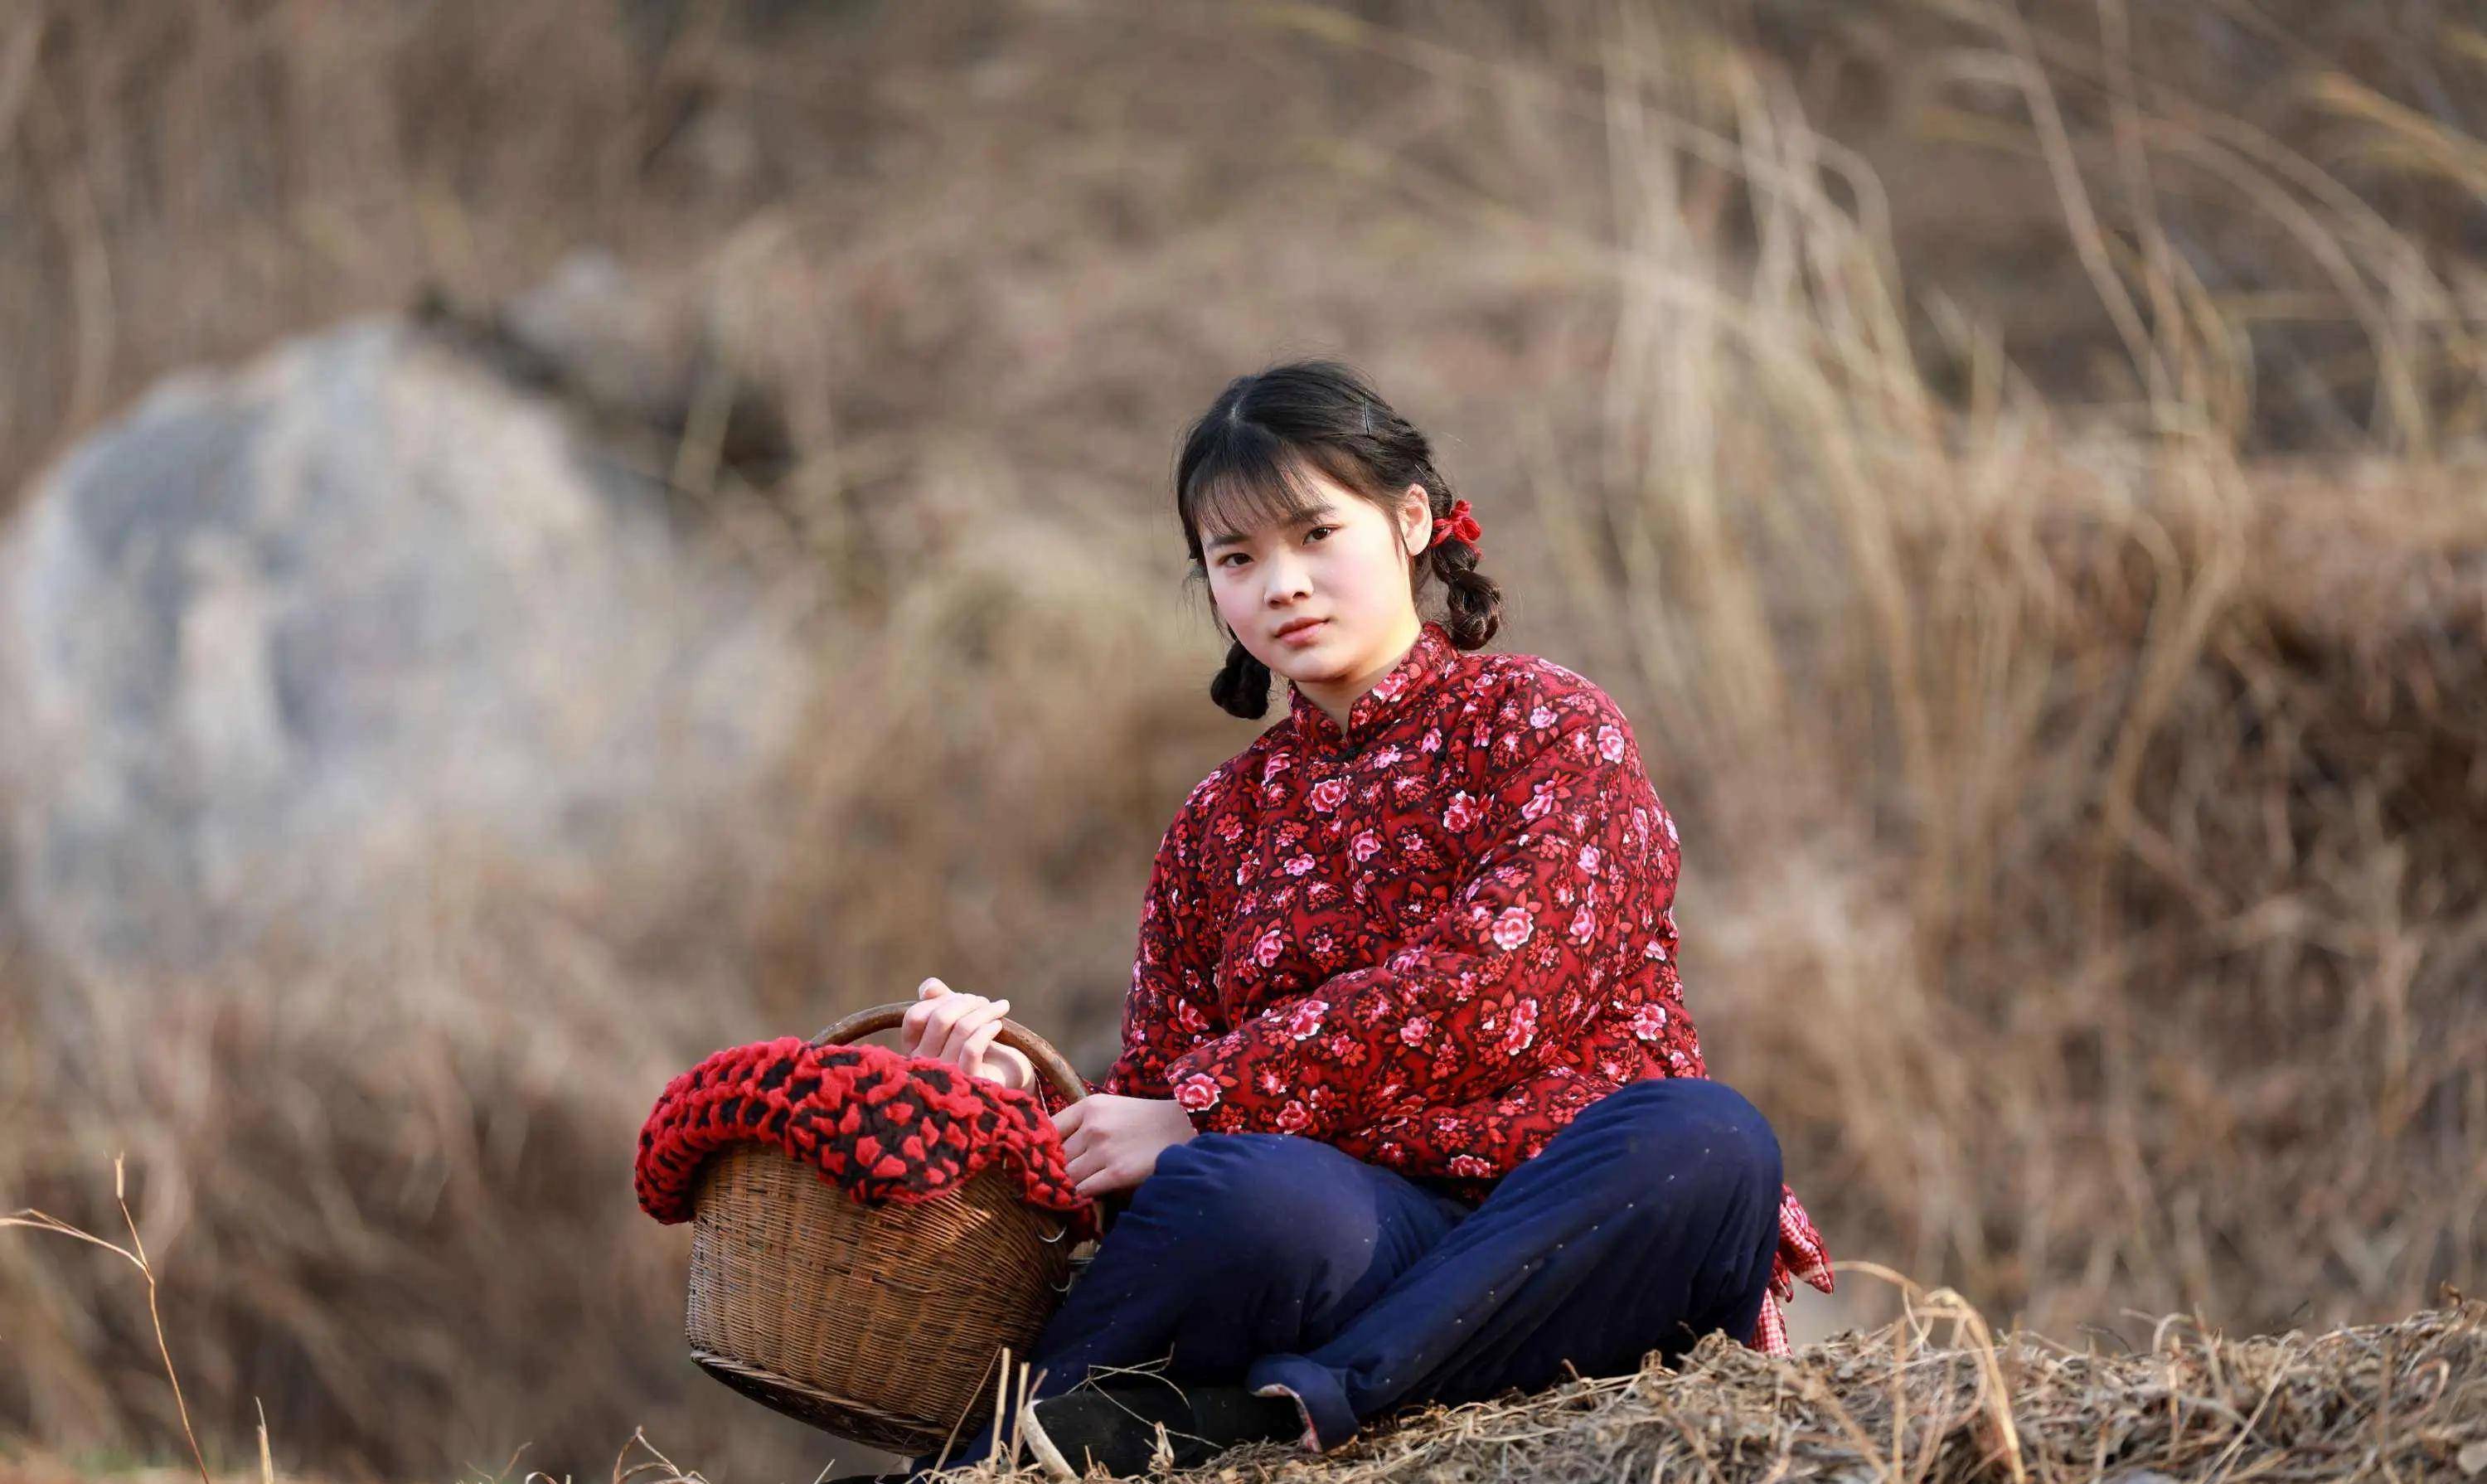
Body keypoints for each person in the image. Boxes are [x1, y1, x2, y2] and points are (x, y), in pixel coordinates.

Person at [847, 360, 1832, 1483]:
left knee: (1707, 1140)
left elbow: (1498, 991)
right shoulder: (1218, 826)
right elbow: (1149, 1129)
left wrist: (1210, 1104)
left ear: (1411, 520)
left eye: (1317, 533)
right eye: (1237, 558)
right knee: (1236, 1197)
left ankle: (1308, 1401)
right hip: (1360, 1240)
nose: (1283, 584)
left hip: (1578, 1230)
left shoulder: (1546, 725)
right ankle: (1003, 1457)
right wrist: (1013, 1116)